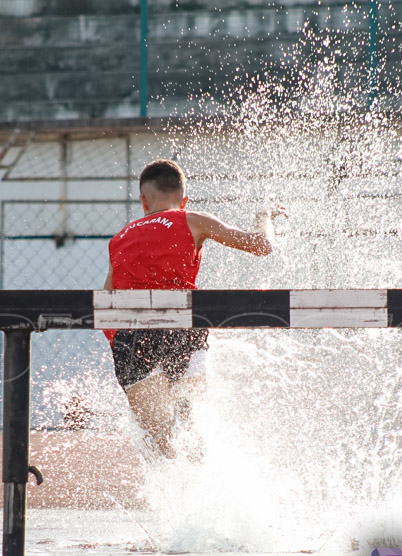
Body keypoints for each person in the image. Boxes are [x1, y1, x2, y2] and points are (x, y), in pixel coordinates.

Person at [103, 159, 285, 460]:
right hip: (182, 326)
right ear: (183, 199)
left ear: (143, 201)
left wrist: (119, 341)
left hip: (131, 337)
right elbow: (261, 245)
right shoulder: (190, 219)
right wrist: (264, 217)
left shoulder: (119, 239)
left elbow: (105, 301)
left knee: (160, 445)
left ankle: (174, 497)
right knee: (193, 427)